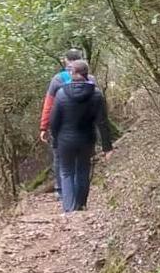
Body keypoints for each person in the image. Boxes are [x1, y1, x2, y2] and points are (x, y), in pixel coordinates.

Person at [49, 59, 114, 212]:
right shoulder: (96, 94)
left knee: (66, 172)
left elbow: (54, 121)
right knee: (83, 170)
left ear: (72, 74)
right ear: (86, 74)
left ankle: (69, 208)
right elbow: (103, 122)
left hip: (65, 140)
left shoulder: (61, 93)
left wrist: (55, 140)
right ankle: (81, 205)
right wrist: (107, 147)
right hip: (87, 139)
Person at [39, 48, 88, 192]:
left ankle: (61, 190)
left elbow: (48, 104)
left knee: (60, 157)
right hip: (83, 124)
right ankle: (78, 191)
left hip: (61, 125)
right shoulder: (89, 78)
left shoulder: (58, 79)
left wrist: (43, 127)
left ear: (66, 61)